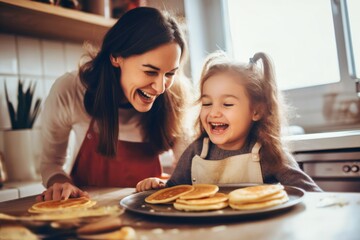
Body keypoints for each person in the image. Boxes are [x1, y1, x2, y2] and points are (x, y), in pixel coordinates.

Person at [36, 7, 193, 201]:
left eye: (170, 73)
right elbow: (51, 163)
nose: (161, 87)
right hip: (89, 215)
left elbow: (188, 169)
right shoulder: (70, 89)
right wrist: (59, 183)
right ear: (116, 57)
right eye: (150, 72)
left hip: (151, 215)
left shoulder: (175, 94)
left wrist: (168, 183)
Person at [136, 51, 322, 192]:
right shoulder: (196, 151)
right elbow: (174, 188)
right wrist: (158, 186)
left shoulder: (268, 154)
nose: (214, 112)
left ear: (256, 111)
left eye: (227, 104)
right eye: (207, 103)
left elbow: (311, 194)